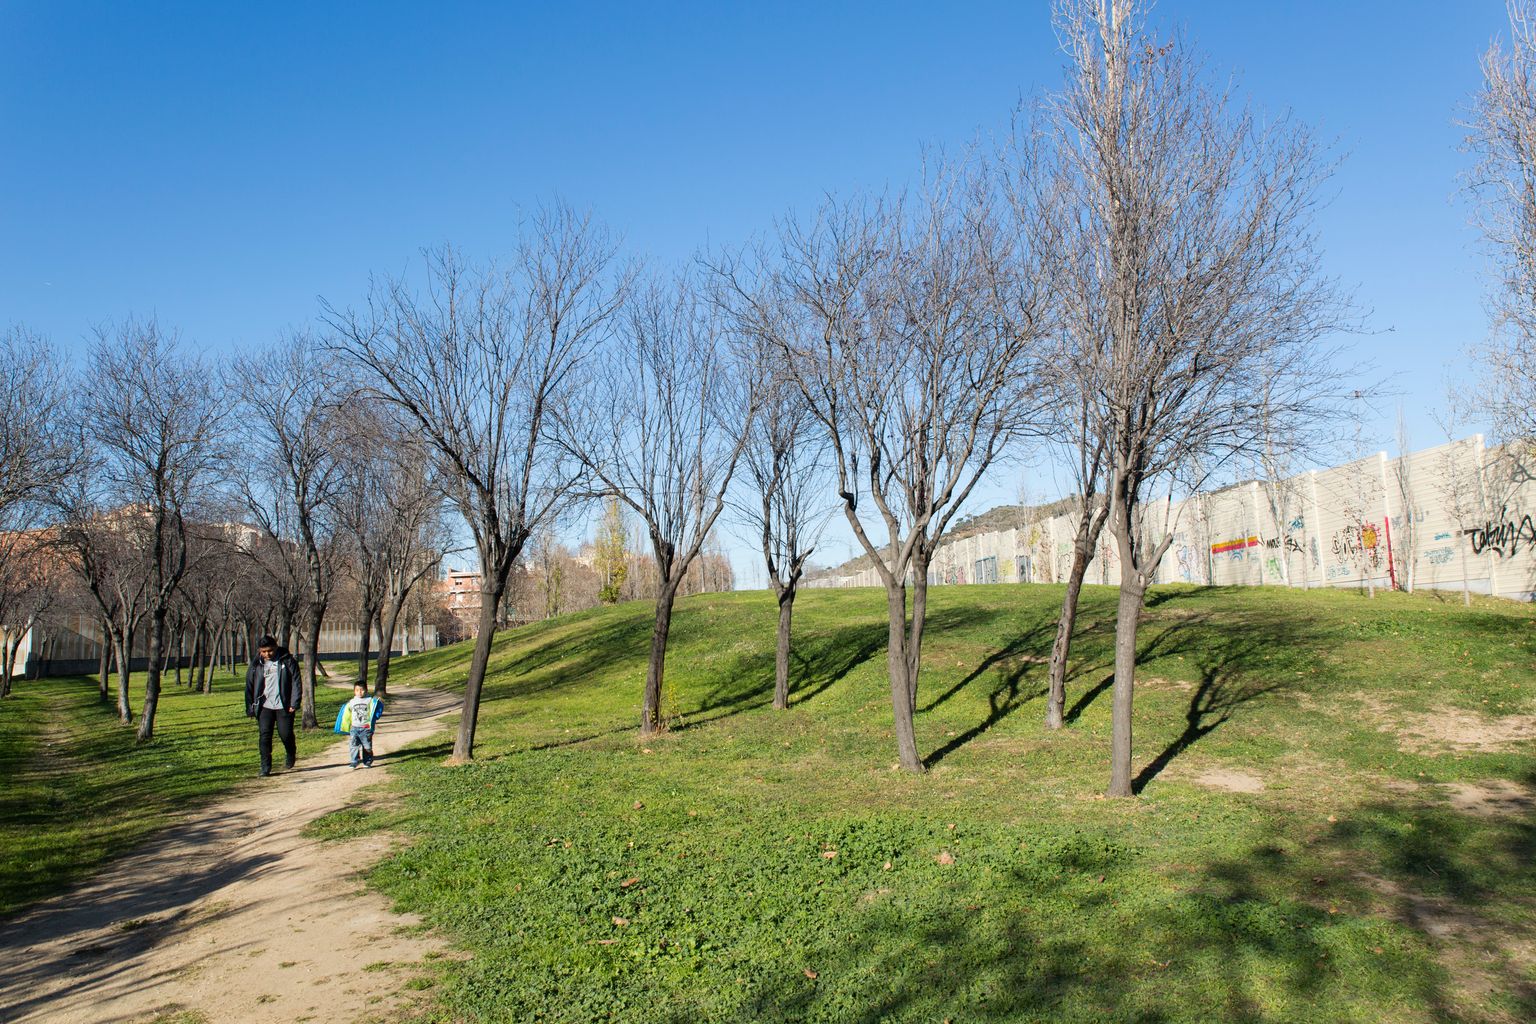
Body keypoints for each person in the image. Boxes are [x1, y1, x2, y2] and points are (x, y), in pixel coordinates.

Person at [244, 635, 303, 777]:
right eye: (263, 651)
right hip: (264, 706)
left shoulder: (288, 661)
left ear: (276, 647)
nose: (267, 654)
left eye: (269, 651)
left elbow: (296, 682)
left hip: (284, 705)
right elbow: (249, 686)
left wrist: (294, 703)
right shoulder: (256, 664)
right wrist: (250, 707)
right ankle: (265, 766)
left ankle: (290, 752)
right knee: (264, 736)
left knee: (285, 734)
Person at [334, 681, 383, 768]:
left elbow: (379, 706)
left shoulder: (370, 700)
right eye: (357, 690)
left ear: (366, 690)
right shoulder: (352, 702)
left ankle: (367, 761)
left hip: (366, 728)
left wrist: (376, 716)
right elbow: (346, 713)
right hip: (354, 728)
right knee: (353, 745)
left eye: (362, 690)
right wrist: (344, 724)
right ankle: (354, 761)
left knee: (367, 746)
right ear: (354, 691)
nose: (359, 692)